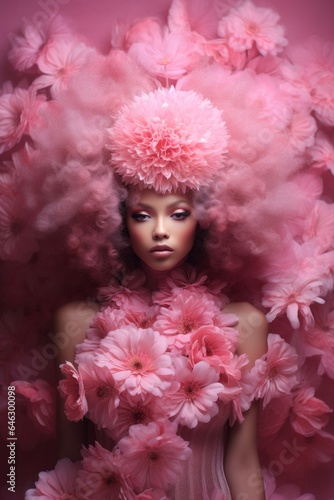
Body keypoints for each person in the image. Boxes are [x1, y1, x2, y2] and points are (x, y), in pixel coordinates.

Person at [50, 87, 268, 500]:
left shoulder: (245, 325)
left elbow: (243, 463)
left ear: (207, 220)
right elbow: (68, 461)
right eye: (142, 214)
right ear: (114, 219)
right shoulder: (77, 324)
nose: (161, 230)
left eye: (179, 214)